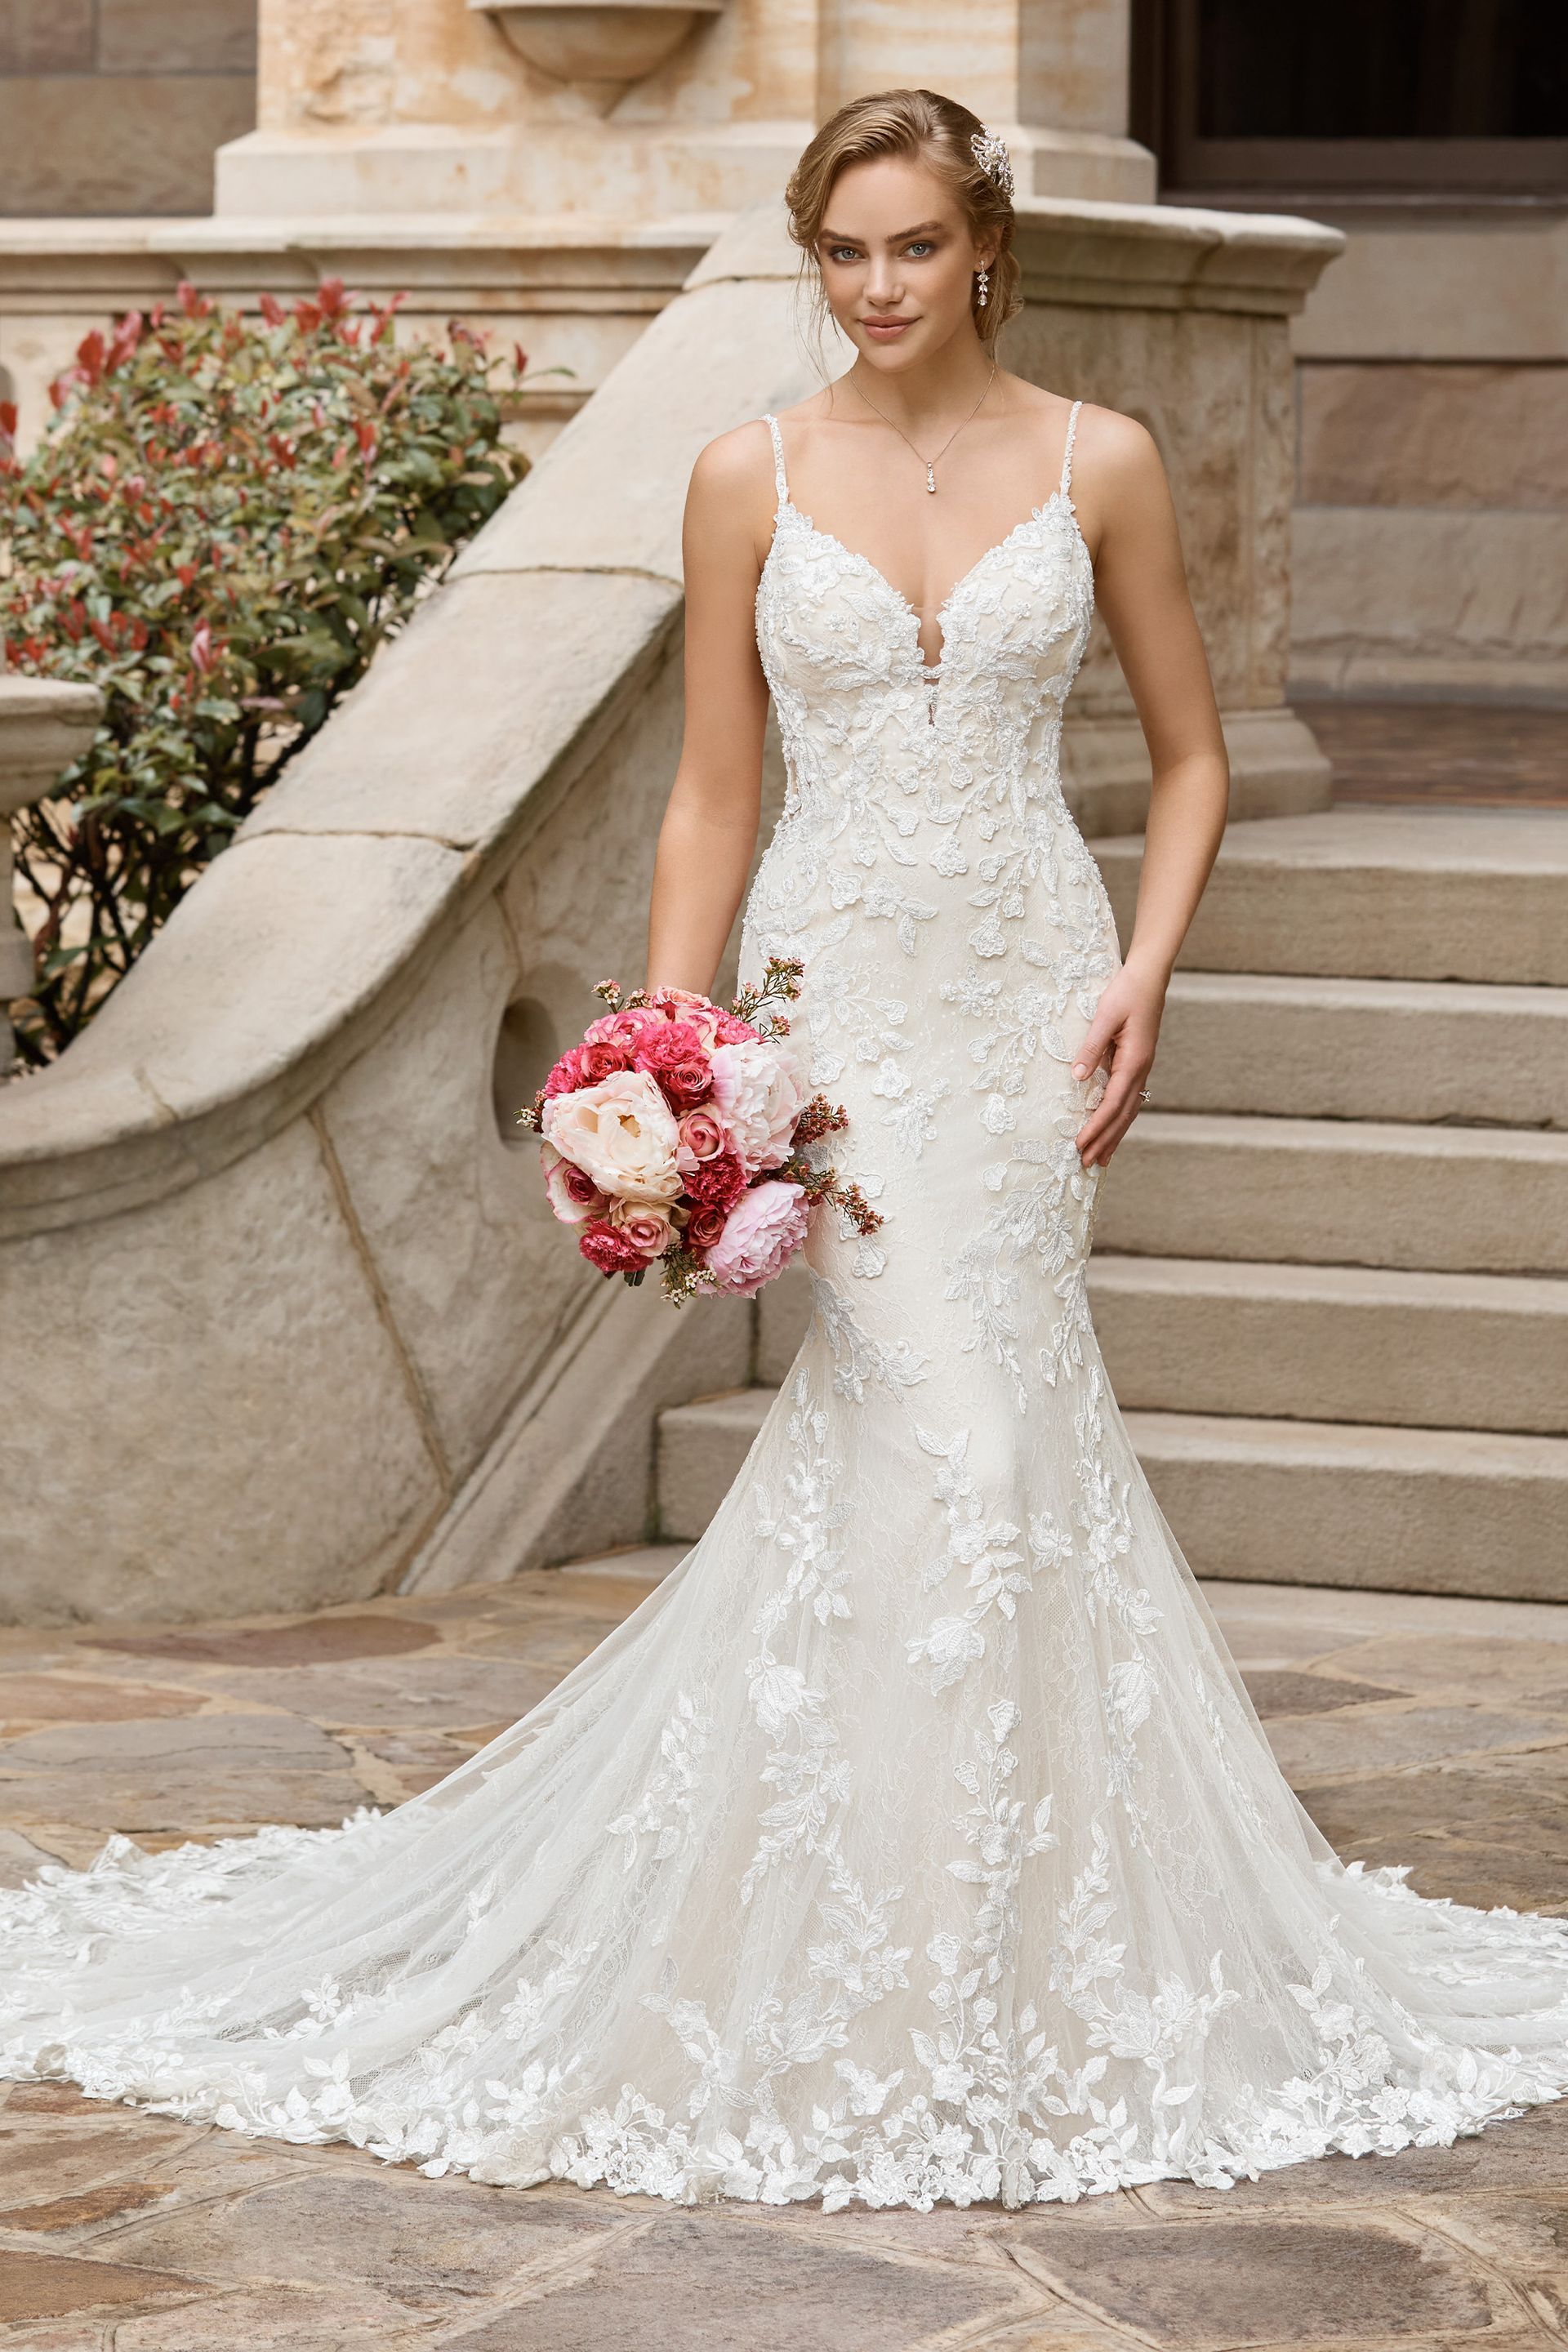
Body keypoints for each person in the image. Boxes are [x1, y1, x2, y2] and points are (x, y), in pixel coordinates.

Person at [3, 88, 1566, 2215]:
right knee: (942, 1438)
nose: (881, 286)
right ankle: (887, 1950)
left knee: (1002, 1442)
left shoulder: (1100, 459)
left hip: (1025, 991)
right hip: (831, 1023)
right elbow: (710, 799)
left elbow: (1192, 761)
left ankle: (1001, 1948)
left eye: (916, 246)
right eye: (846, 249)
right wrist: (668, 1054)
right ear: (815, 256)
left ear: (987, 249)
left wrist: (1151, 976)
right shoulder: (745, 472)